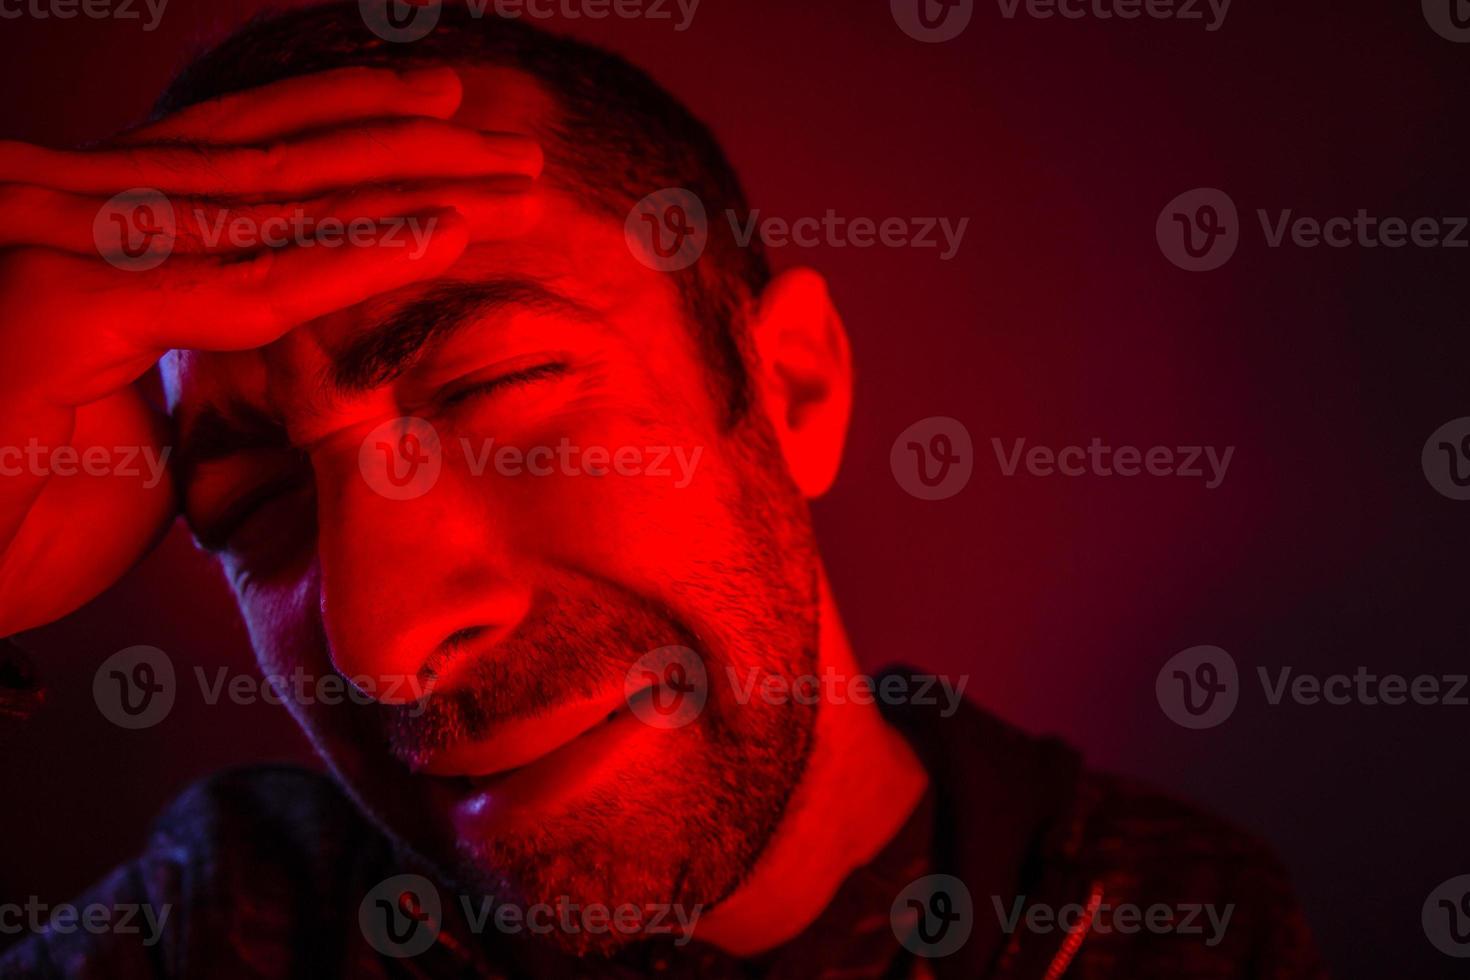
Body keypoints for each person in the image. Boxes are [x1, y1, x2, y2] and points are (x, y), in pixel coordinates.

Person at [0, 4, 1324, 976]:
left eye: (480, 392)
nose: (385, 642)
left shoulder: (1179, 930)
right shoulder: (222, 917)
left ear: (791, 388)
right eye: (257, 507)